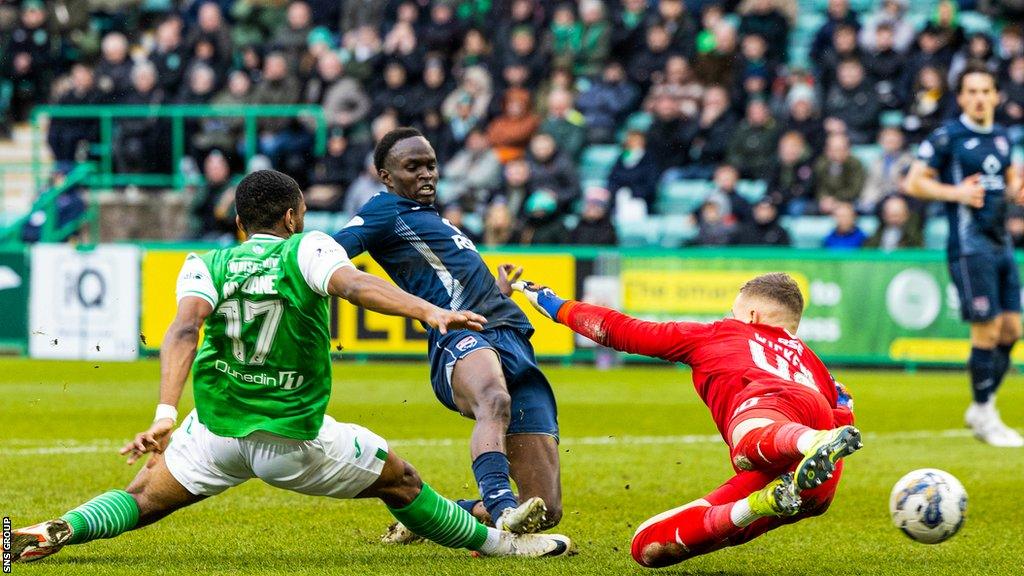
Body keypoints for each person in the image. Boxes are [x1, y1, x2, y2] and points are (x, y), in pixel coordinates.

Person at [10, 170, 572, 563]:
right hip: (292, 439)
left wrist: (164, 412)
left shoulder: (204, 262)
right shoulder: (306, 249)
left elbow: (183, 329)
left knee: (138, 499)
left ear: (237, 221)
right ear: (292, 215)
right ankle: (502, 544)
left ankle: (54, 529)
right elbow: (355, 284)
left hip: (213, 432)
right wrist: (431, 310)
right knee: (402, 482)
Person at [509, 273, 861, 567]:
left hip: (773, 418)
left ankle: (807, 442)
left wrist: (556, 306)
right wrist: (841, 409)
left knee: (748, 441)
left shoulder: (718, 333)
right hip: (811, 479)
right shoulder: (813, 363)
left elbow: (621, 330)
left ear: (752, 315)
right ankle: (757, 504)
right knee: (647, 546)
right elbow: (842, 411)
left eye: (734, 311)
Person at [332, 128, 567, 540]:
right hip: (458, 332)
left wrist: (498, 292)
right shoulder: (384, 209)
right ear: (385, 176)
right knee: (493, 398)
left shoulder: (431, 218)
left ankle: (441, 516)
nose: (427, 174)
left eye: (431, 165)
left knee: (546, 512)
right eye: (413, 167)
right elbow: (328, 253)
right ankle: (501, 503)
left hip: (510, 334)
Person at [905, 64, 1024, 447]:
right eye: (970, 91)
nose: (978, 98)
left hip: (1000, 243)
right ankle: (985, 411)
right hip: (969, 248)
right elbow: (914, 182)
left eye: (984, 91)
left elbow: (1008, 182)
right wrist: (955, 193)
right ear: (961, 98)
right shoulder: (947, 137)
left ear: (995, 96)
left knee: (1012, 331)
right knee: (986, 329)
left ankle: (982, 407)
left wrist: (1016, 189)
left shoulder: (1004, 138)